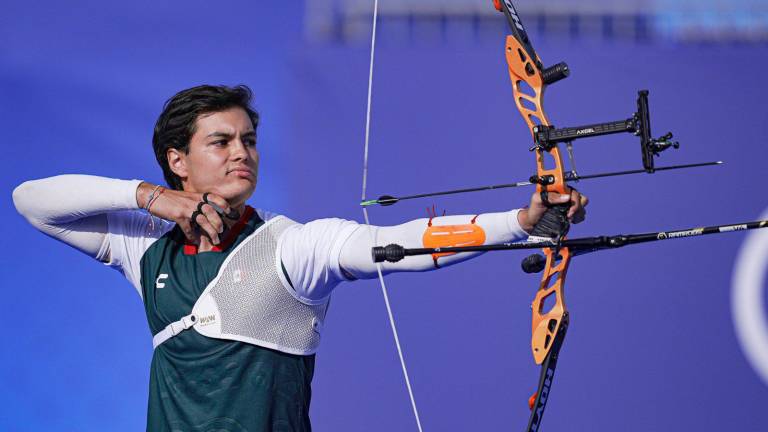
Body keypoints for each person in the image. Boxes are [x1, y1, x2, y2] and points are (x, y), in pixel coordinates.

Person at [12, 84, 587, 431]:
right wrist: (149, 196)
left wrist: (520, 222)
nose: (242, 153)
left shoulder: (293, 245)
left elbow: (403, 243)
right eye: (221, 141)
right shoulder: (144, 248)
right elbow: (31, 202)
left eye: (249, 140)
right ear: (177, 160)